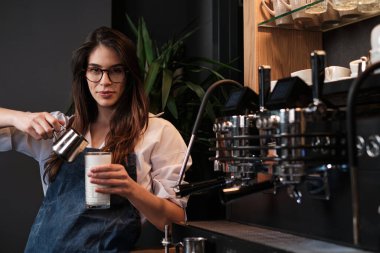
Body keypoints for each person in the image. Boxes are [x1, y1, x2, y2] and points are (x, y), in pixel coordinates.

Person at [0, 26, 191, 252]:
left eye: (116, 71)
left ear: (129, 75)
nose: (104, 81)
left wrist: (131, 190)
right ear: (84, 74)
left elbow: (176, 221)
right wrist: (19, 118)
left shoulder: (157, 133)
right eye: (95, 70)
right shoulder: (57, 129)